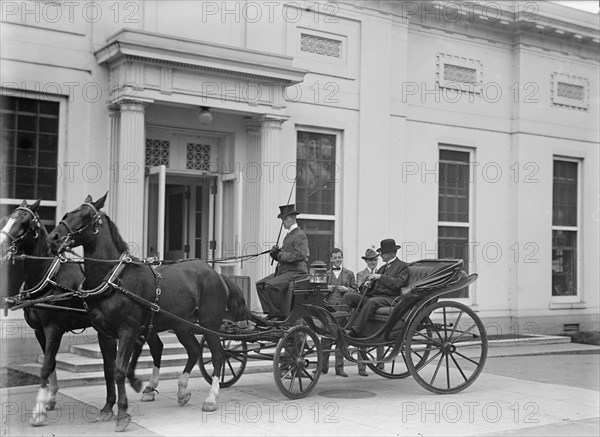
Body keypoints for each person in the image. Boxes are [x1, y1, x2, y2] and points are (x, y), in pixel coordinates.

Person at [342, 238, 409, 337]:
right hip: (376, 297)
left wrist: (380, 277)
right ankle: (338, 326)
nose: (380, 255)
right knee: (349, 296)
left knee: (372, 301)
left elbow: (399, 283)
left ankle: (355, 330)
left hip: (391, 299)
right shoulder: (382, 268)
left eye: (382, 253)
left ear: (390, 253)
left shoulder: (402, 266)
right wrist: (367, 285)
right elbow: (373, 286)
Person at [256, 204, 309, 321]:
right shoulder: (289, 235)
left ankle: (277, 315)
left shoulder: (300, 235)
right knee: (260, 285)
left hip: (296, 272)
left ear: (291, 218)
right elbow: (285, 255)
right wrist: (275, 254)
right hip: (284, 271)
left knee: (270, 285)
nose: (282, 222)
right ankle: (270, 312)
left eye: (283, 219)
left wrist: (281, 255)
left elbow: (301, 255)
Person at [320, 248, 356, 377]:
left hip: (344, 310)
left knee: (341, 339)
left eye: (339, 257)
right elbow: (319, 293)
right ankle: (322, 367)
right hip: (329, 310)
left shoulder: (349, 273)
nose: (337, 260)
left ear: (342, 258)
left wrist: (347, 289)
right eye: (335, 258)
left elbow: (356, 291)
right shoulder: (325, 274)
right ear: (331, 259)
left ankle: (339, 368)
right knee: (325, 338)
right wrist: (326, 289)